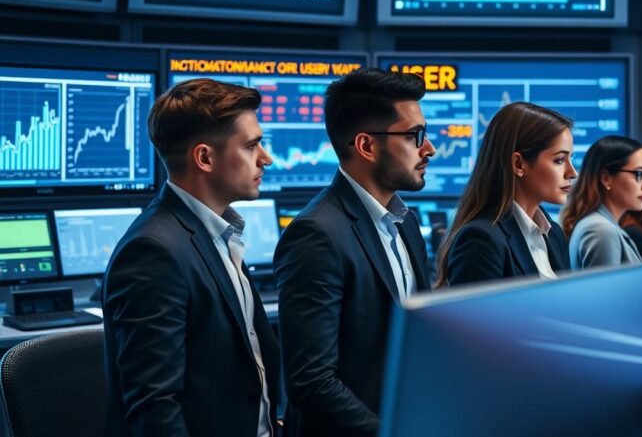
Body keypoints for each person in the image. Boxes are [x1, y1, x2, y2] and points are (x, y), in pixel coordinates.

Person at [104, 79, 279, 437]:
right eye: (251, 146)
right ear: (204, 157)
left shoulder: (216, 233)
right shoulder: (153, 252)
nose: (266, 158)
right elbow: (155, 409)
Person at [273, 68, 435, 437]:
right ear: (366, 145)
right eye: (415, 136)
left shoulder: (404, 222)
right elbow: (312, 383)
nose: (429, 148)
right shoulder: (316, 234)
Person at [434, 102, 576, 286]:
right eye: (559, 160)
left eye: (570, 158)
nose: (573, 172)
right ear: (518, 164)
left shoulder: (553, 234)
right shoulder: (481, 239)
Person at [561, 136, 642, 270]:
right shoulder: (601, 230)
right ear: (606, 178)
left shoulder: (601, 225)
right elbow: (606, 291)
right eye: (639, 174)